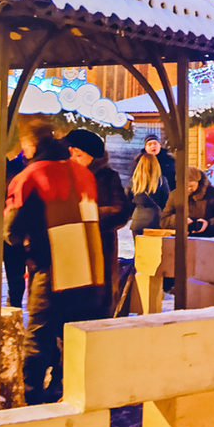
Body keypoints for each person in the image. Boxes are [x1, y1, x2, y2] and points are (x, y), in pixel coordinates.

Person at [5, 123, 106, 401]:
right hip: (89, 269)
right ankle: (67, 391)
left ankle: (32, 399)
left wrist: (23, 240)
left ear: (32, 147)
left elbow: (11, 232)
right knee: (73, 337)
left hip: (53, 268)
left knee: (39, 336)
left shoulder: (31, 176)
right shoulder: (83, 174)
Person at [60, 128, 131, 315]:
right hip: (68, 252)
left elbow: (120, 211)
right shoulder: (63, 175)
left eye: (79, 155)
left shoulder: (107, 177)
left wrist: (86, 216)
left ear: (93, 157)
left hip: (99, 252)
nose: (73, 159)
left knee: (96, 306)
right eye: (71, 154)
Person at [163, 164, 214, 240]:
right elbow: (164, 220)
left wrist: (209, 224)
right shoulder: (175, 195)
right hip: (184, 241)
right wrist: (179, 220)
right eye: (185, 186)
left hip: (211, 241)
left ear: (198, 182)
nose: (188, 189)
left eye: (191, 186)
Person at [127, 137, 174, 235]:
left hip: (137, 221)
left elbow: (128, 201)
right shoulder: (161, 181)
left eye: (155, 143)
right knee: (154, 249)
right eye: (150, 144)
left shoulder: (133, 182)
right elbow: (166, 202)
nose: (153, 146)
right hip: (156, 220)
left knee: (140, 249)